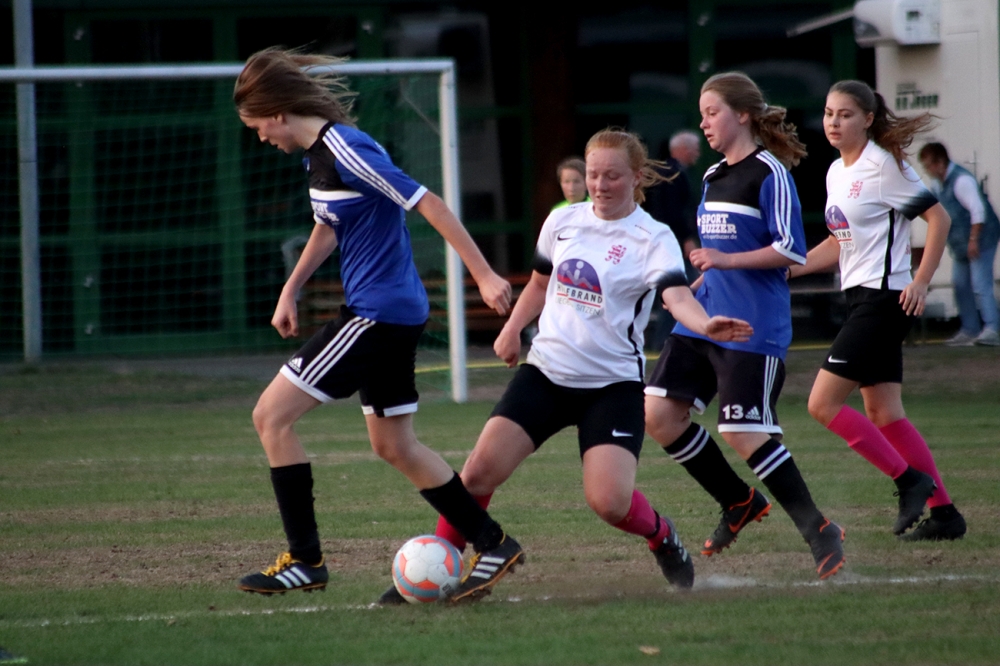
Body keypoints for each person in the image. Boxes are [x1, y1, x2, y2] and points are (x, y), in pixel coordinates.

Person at [379, 128, 755, 604]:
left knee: (609, 503)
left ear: (636, 177)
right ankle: (440, 567)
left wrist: (705, 323)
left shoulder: (653, 237)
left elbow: (677, 297)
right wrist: (512, 329)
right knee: (476, 475)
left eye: (612, 176)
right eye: (594, 174)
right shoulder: (563, 221)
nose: (599, 184)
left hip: (612, 386)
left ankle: (662, 535)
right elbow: (540, 284)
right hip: (547, 373)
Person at [232, 47, 525, 601]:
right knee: (395, 445)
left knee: (270, 416)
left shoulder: (347, 148)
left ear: (276, 113)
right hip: (391, 313)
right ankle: (493, 543)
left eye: (257, 127)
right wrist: (291, 289)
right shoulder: (317, 157)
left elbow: (428, 202)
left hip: (376, 313)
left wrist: (484, 274)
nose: (261, 138)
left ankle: (306, 560)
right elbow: (329, 226)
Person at [644, 72, 846, 581]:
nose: (703, 123)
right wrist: (695, 284)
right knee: (659, 415)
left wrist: (725, 261)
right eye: (701, 115)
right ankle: (738, 500)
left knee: (742, 430)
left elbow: (790, 250)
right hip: (705, 318)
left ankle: (819, 529)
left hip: (752, 324)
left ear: (742, 114)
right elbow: (716, 255)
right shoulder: (713, 175)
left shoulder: (769, 173)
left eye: (711, 112)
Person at [789, 80, 966, 541]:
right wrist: (789, 268)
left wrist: (922, 280)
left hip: (886, 299)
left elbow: (939, 218)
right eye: (829, 113)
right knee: (885, 412)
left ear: (868, 119)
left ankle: (910, 482)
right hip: (861, 298)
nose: (833, 122)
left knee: (822, 404)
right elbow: (839, 242)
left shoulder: (883, 166)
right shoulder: (836, 171)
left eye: (845, 114)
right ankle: (945, 515)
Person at [918, 142, 1000, 347]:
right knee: (961, 284)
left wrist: (973, 240)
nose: (927, 170)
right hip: (960, 244)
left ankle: (993, 329)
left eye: (928, 165)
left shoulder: (962, 180)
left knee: (981, 283)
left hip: (982, 239)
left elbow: (978, 211)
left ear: (940, 163)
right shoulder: (937, 185)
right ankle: (970, 329)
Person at [644, 130, 702, 350]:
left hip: (673, 243)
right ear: (683, 149)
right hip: (674, 245)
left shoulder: (672, 172)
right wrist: (686, 238)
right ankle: (667, 341)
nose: (698, 153)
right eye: (695, 149)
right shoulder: (672, 174)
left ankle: (671, 340)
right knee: (680, 291)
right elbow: (672, 212)